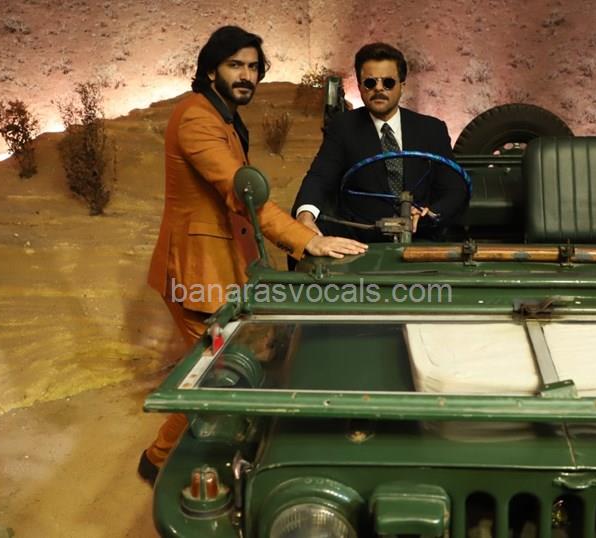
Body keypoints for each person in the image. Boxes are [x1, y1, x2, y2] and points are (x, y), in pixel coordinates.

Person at [138, 26, 367, 484]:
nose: (246, 75)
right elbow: (243, 194)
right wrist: (305, 240)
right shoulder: (198, 118)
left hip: (221, 266)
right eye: (235, 65)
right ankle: (159, 460)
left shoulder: (222, 117)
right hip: (197, 271)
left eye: (253, 67)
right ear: (211, 71)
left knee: (222, 367)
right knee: (216, 372)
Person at [293, 42, 469, 243]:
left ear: (402, 86)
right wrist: (305, 217)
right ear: (360, 87)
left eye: (388, 82)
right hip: (361, 241)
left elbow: (455, 188)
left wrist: (431, 213)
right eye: (370, 83)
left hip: (420, 238)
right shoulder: (343, 127)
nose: (378, 88)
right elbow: (320, 177)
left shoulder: (431, 129)